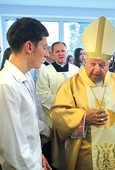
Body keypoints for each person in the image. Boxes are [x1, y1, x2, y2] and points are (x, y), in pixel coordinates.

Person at [50, 16, 115, 170]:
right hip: (85, 153)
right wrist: (83, 117)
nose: (97, 69)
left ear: (109, 63)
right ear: (84, 61)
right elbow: (57, 114)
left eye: (102, 65)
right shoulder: (71, 85)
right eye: (93, 64)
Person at [0, 17, 52, 170]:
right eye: (45, 47)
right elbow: (14, 151)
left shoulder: (26, 76)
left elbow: (28, 125)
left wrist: (38, 155)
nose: (47, 54)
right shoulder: (6, 85)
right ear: (29, 47)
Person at [36, 41, 79, 167]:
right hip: (54, 117)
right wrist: (64, 101)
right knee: (56, 153)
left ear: (67, 52)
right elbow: (42, 94)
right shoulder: (45, 71)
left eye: (63, 51)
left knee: (72, 151)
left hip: (73, 116)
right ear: (52, 54)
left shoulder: (76, 70)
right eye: (57, 51)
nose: (61, 53)